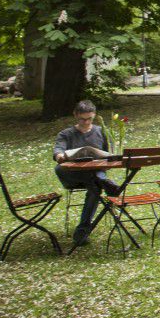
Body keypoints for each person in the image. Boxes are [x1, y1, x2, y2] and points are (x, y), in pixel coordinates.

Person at [53, 100, 121, 247]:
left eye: (89, 119)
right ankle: (103, 183)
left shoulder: (101, 131)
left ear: (94, 116)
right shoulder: (66, 134)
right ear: (75, 115)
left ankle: (82, 230)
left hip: (95, 171)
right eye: (82, 119)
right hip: (74, 175)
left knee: (94, 187)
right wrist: (61, 156)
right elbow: (58, 151)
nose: (85, 122)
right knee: (63, 170)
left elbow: (109, 154)